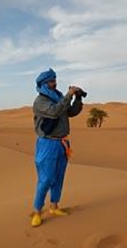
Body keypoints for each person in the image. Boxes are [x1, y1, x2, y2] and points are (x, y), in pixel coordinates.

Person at [31, 68, 83, 227]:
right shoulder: (40, 101)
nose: (55, 83)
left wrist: (77, 99)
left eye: (55, 80)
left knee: (59, 176)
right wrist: (67, 96)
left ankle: (54, 206)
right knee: (46, 179)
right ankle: (37, 211)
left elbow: (71, 112)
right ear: (44, 84)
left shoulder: (59, 97)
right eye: (52, 81)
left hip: (62, 143)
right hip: (47, 144)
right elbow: (54, 112)